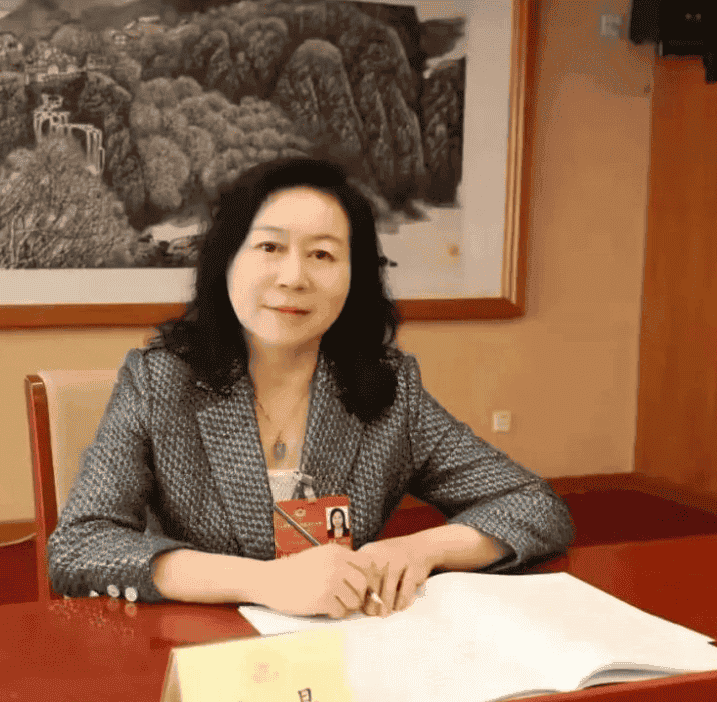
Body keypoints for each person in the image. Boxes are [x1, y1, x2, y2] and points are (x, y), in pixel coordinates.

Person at [48, 158, 575, 619]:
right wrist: (264, 582)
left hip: (341, 652)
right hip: (202, 652)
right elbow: (80, 545)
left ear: (354, 275)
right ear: (227, 260)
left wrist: (419, 549)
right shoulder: (160, 381)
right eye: (269, 246)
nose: (293, 277)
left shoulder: (391, 390)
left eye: (322, 255)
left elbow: (532, 504)